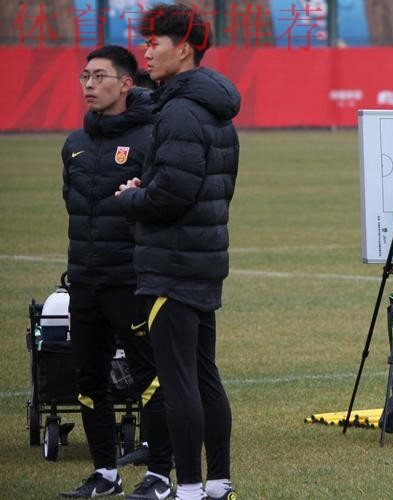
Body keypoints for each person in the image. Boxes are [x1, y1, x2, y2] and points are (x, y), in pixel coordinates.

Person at [116, 4, 241, 499]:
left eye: (155, 43)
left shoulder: (182, 111)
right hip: (201, 257)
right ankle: (218, 484)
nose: (145, 52)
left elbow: (172, 194)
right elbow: (209, 187)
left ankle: (188, 488)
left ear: (184, 49)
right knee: (204, 374)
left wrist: (132, 197)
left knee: (178, 379)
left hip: (172, 263)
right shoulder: (209, 106)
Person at [59, 45, 174, 499]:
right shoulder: (74, 144)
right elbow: (72, 205)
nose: (89, 84)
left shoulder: (151, 139)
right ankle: (105, 474)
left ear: (126, 84)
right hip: (85, 281)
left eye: (99, 76)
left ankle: (160, 477)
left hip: (132, 281)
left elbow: (163, 205)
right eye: (85, 76)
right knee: (89, 381)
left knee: (149, 379)